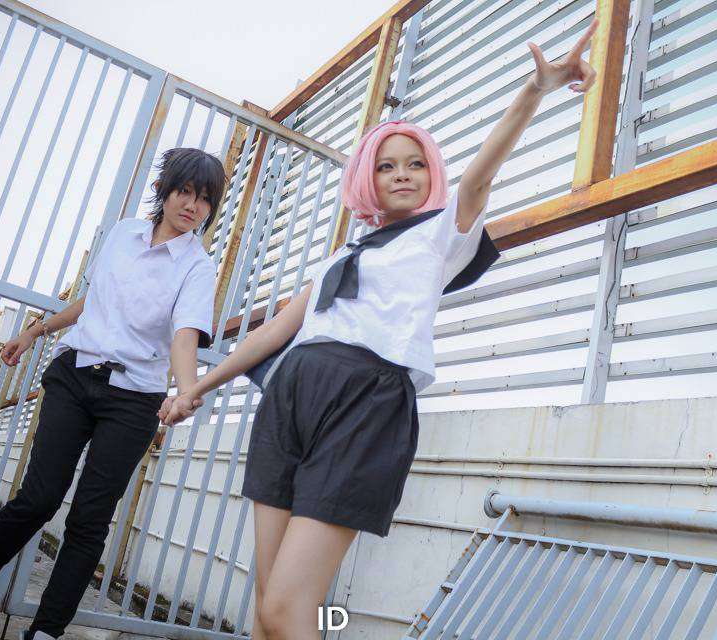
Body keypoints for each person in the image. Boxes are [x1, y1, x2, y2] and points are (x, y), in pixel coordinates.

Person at [160, 22, 599, 639]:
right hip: (290, 399)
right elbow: (272, 334)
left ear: (432, 173)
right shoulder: (343, 255)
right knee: (266, 606)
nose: (402, 174)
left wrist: (535, 90)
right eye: (387, 165)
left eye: (416, 164)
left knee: (288, 608)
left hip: (365, 401)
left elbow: (481, 175)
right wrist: (195, 390)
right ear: (368, 176)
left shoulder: (441, 233)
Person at [0, 148, 224, 640]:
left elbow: (184, 334)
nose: (194, 205)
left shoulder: (197, 266)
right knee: (38, 498)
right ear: (165, 191)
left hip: (134, 397)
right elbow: (92, 301)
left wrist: (187, 389)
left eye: (206, 199)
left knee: (90, 519)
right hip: (75, 375)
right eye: (186, 192)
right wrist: (35, 331)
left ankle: (46, 632)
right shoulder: (123, 234)